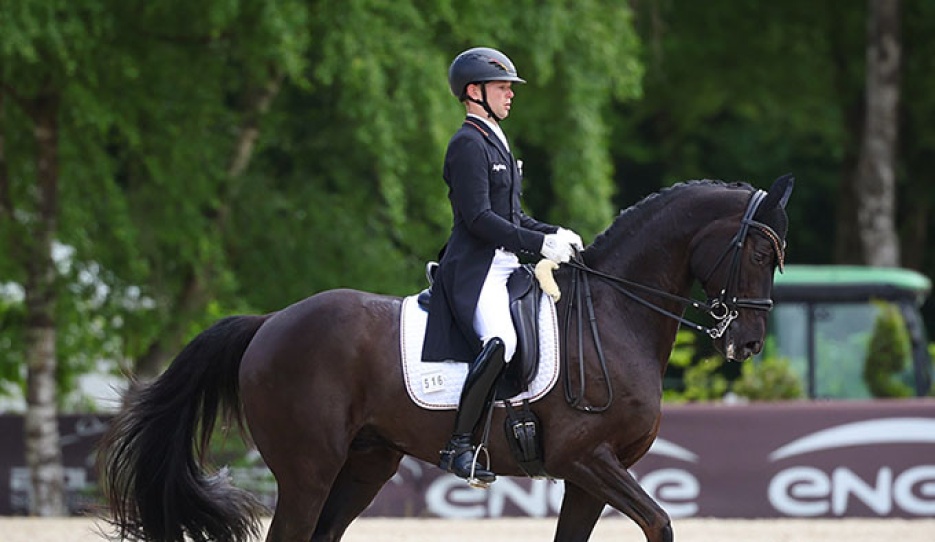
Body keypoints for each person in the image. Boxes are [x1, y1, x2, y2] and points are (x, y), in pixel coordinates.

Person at [422, 47, 583, 485]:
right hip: (476, 271)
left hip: (506, 265)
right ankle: (458, 447)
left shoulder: (496, 138)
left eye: (510, 88)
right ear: (474, 92)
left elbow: (512, 217)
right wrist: (538, 243)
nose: (510, 95)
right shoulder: (467, 144)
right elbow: (478, 220)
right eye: (502, 88)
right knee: (502, 341)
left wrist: (554, 233)